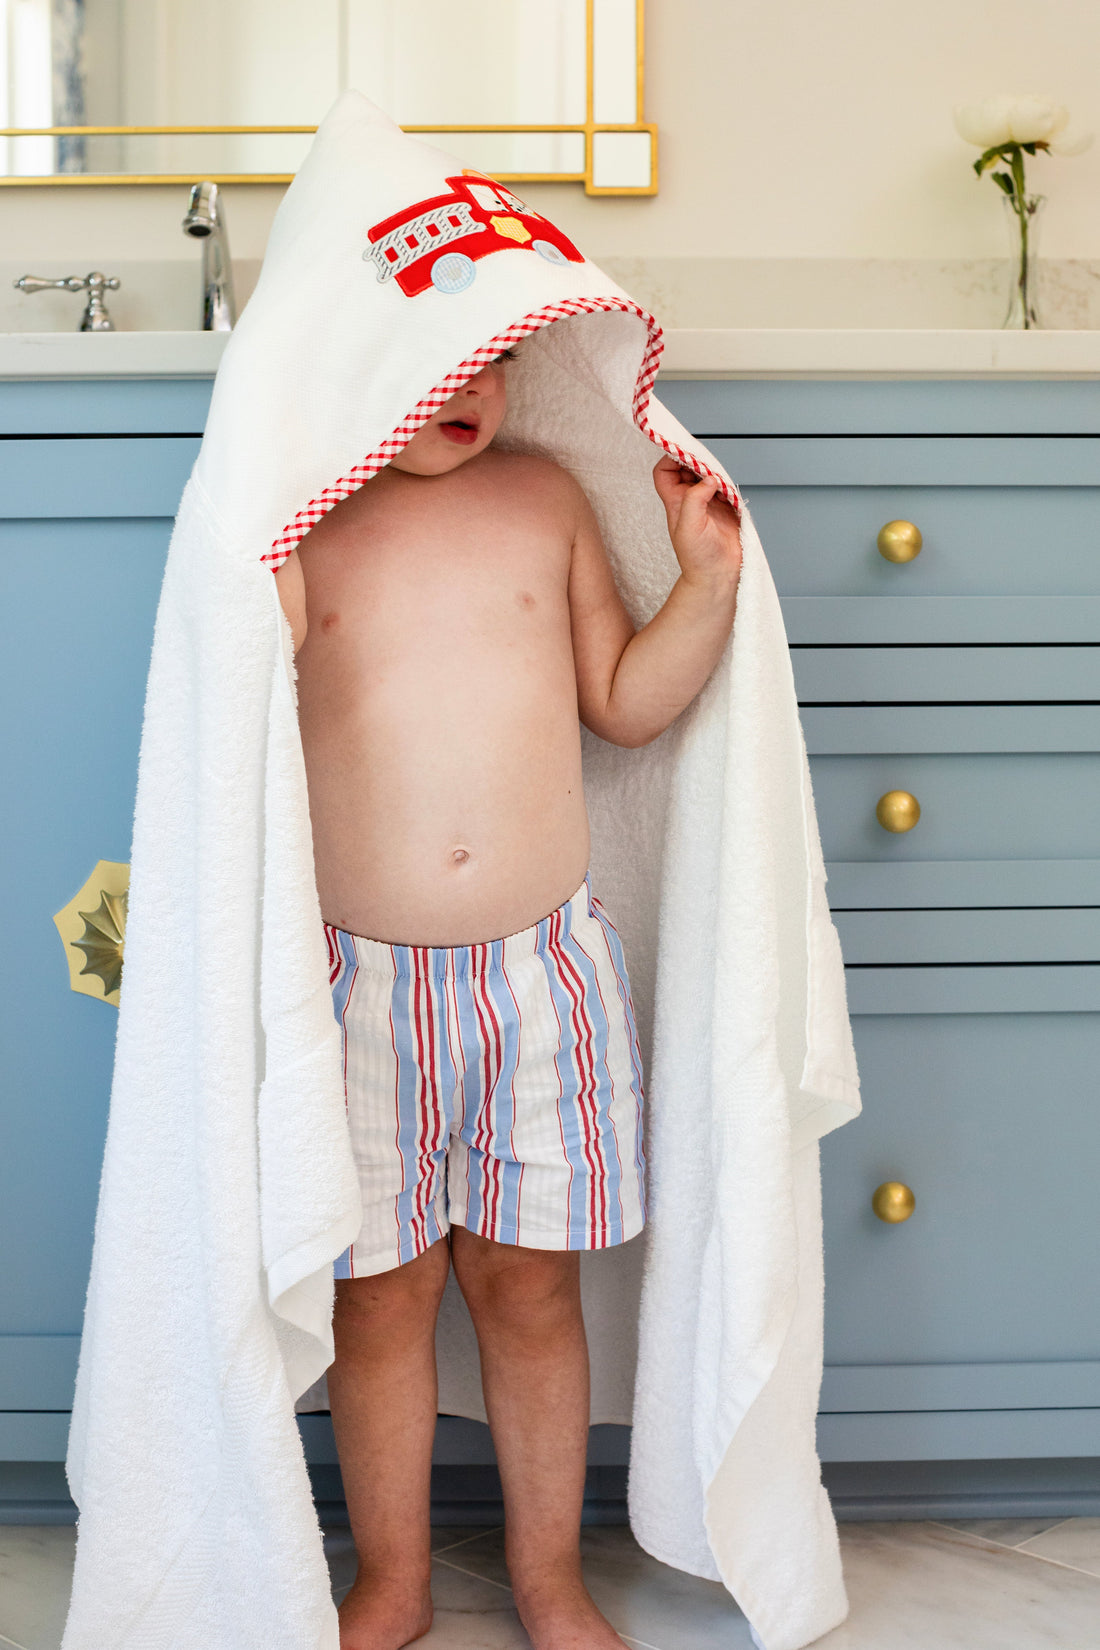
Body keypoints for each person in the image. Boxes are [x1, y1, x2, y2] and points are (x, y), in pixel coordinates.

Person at [273, 340, 743, 1650]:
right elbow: (236, 700)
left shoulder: (545, 500)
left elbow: (625, 704)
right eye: (430, 365)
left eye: (488, 362)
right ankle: (395, 1580)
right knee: (379, 1298)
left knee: (532, 1290)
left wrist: (705, 580)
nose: (466, 391)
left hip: (541, 982)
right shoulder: (305, 524)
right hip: (358, 990)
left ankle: (550, 1578)